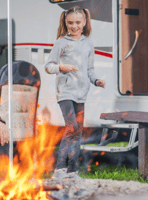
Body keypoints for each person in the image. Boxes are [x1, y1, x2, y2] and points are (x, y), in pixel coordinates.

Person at [45, 6, 106, 180]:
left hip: (81, 94)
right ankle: (59, 170)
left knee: (77, 131)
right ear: (65, 22)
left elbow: (90, 70)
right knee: (71, 128)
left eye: (78, 22)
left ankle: (72, 171)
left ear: (85, 22)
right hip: (65, 92)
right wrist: (61, 67)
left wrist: (96, 81)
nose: (74, 26)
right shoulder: (61, 43)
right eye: (70, 22)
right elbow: (49, 66)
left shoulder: (88, 43)